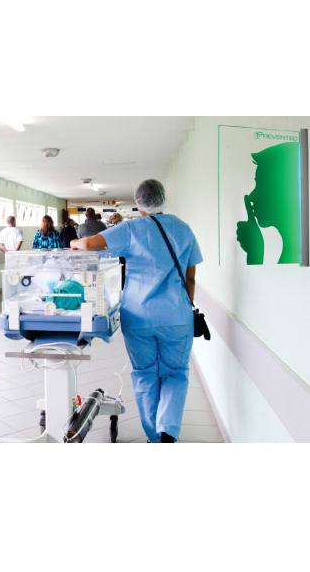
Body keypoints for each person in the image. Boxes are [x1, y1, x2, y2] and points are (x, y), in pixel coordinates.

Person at [70, 179, 203, 443]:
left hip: (138, 317)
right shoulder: (183, 229)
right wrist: (182, 307)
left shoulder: (131, 229)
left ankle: (154, 436)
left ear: (139, 204)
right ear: (162, 199)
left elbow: (87, 245)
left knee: (144, 374)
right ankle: (168, 431)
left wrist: (74, 242)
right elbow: (190, 279)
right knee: (176, 373)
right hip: (177, 317)